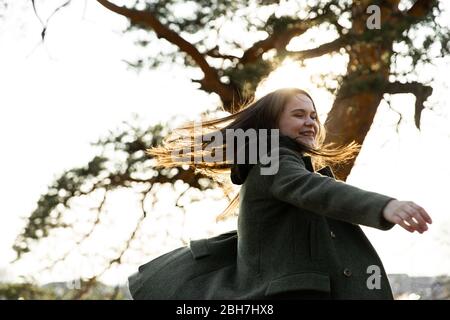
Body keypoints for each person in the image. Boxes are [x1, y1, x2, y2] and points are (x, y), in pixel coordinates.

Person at [129, 87, 432, 300]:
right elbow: (314, 190)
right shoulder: (275, 159)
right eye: (299, 115)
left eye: (314, 115)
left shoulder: (274, 162)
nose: (311, 122)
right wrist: (384, 206)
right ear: (272, 124)